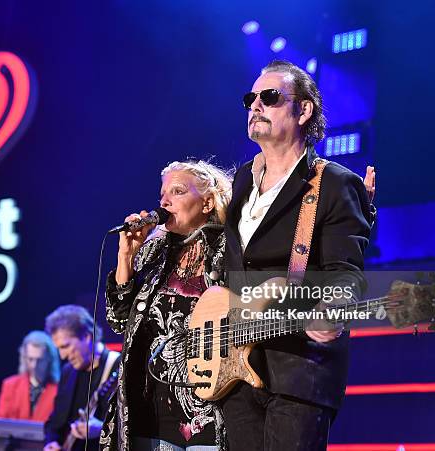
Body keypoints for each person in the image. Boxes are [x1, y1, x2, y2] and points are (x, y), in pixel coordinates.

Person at [220, 60, 374, 450]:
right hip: (239, 370)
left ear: (303, 110)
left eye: (269, 97)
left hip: (300, 371)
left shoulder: (335, 183)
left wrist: (330, 311)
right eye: (250, 99)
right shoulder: (240, 181)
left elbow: (345, 274)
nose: (256, 105)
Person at [100, 160, 233, 451]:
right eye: (163, 194)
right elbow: (119, 323)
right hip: (151, 413)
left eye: (178, 191)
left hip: (209, 413)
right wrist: (126, 259)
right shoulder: (154, 253)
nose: (165, 201)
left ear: (208, 202)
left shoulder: (232, 250)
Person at [44, 305, 120, 451]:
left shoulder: (119, 367)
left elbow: (136, 425)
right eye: (58, 348)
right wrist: (51, 442)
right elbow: (54, 422)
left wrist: (101, 430)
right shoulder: (68, 372)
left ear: (87, 336)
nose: (62, 356)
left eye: (65, 346)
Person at [0, 330, 60, 422]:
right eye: (30, 359)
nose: (34, 365)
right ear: (24, 358)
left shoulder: (60, 390)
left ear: (50, 360)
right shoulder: (10, 385)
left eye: (40, 360)